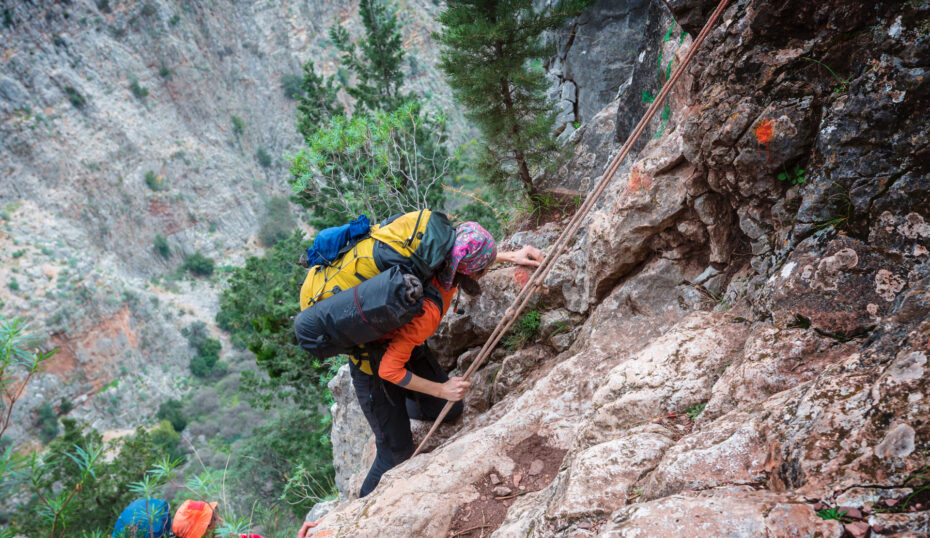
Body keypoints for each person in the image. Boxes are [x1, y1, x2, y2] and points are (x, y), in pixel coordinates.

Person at [346, 220, 543, 498]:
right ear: (470, 271)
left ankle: (399, 407)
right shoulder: (427, 309)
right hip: (374, 369)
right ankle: (354, 518)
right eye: (483, 268)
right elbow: (389, 370)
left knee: (449, 410)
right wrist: (441, 388)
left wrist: (510, 256)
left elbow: (464, 256)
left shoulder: (437, 257)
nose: (484, 272)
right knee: (395, 454)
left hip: (402, 346)